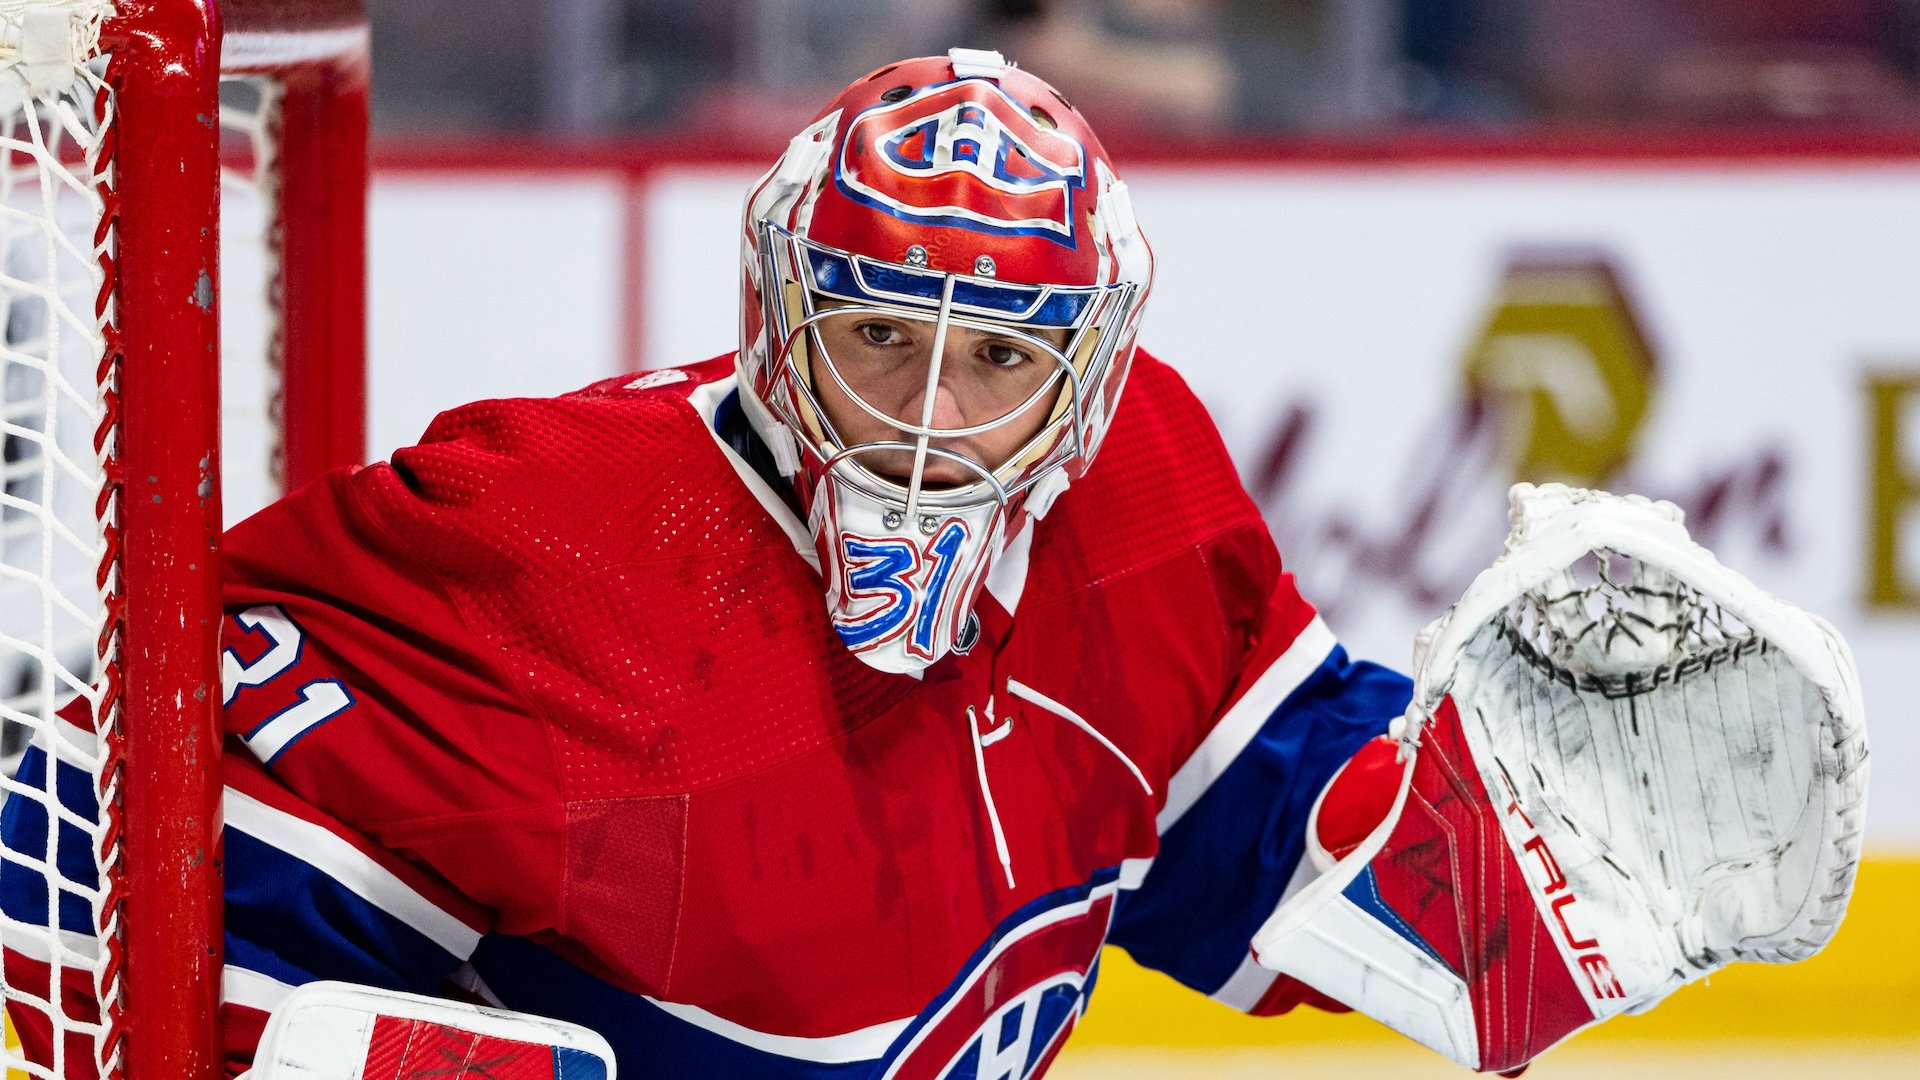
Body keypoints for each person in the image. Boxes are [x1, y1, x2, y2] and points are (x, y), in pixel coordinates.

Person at [0, 48, 1858, 1080]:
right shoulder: (559, 534)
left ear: (1091, 375)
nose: (923, 417)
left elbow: (1264, 864)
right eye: (877, 335)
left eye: (995, 362)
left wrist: (1530, 865)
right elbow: (66, 840)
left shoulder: (1139, 502)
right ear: (779, 315)